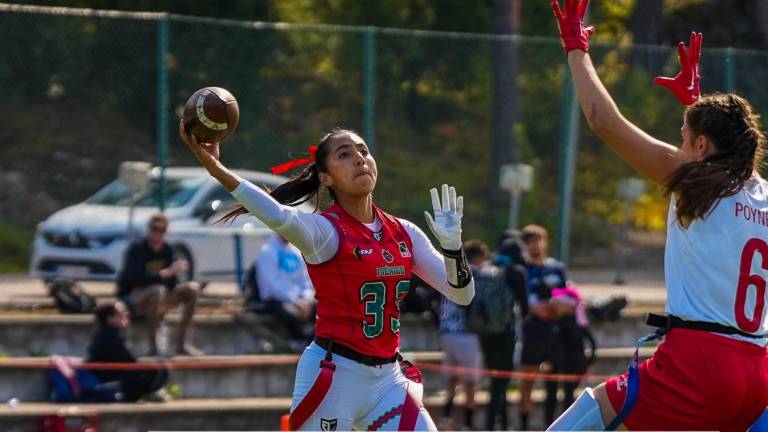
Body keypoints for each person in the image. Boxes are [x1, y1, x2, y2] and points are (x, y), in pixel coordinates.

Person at [548, 1, 768, 430]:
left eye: (686, 138)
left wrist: (575, 46)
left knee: (589, 413)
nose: (679, 148)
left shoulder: (695, 181)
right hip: (758, 369)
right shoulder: (762, 193)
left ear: (702, 147)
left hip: (700, 363)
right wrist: (695, 104)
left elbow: (602, 121)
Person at [180, 123, 475, 431]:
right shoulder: (325, 232)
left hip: (389, 379)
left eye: (363, 151)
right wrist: (215, 168)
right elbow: (279, 215)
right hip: (335, 375)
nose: (359, 159)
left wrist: (453, 246)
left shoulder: (404, 232)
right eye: (344, 154)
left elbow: (462, 295)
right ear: (326, 177)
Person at [465, 239, 528, 431]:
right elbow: (525, 306)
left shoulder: (483, 269)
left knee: (495, 379)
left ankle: (501, 422)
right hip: (505, 332)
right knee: (501, 382)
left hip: (484, 332)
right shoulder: (515, 272)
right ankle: (492, 424)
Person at [117, 213, 202, 356]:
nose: (157, 233)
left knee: (192, 289)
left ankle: (182, 345)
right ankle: (154, 348)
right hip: (135, 298)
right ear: (148, 229)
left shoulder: (168, 250)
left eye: (161, 230)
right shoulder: (136, 249)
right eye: (154, 228)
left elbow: (171, 285)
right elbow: (132, 279)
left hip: (160, 298)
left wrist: (176, 272)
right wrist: (163, 274)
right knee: (157, 290)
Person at [517, 224, 569, 430]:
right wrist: (534, 308)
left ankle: (552, 425)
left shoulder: (557, 268)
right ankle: (524, 424)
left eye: (538, 239)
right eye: (530, 241)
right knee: (528, 381)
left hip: (555, 332)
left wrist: (558, 307)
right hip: (532, 332)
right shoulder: (522, 270)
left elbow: (567, 295)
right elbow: (520, 301)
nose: (535, 244)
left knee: (554, 382)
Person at [436, 243, 484, 430]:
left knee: (452, 379)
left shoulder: (451, 271)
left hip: (447, 332)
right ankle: (469, 424)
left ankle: (446, 419)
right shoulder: (476, 273)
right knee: (471, 381)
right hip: (466, 334)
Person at [86, 301, 170, 402]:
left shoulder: (107, 332)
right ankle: (141, 395)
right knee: (155, 370)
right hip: (109, 380)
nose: (126, 314)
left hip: (114, 374)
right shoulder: (109, 334)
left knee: (156, 366)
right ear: (110, 319)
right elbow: (128, 360)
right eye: (120, 313)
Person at [256, 232, 316, 347]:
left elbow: (305, 281)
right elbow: (271, 284)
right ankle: (297, 341)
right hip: (275, 299)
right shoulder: (267, 251)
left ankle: (312, 341)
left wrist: (306, 299)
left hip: (300, 301)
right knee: (290, 314)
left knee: (322, 308)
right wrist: (295, 301)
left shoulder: (296, 252)